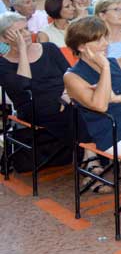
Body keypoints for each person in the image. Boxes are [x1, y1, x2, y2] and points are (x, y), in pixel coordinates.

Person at [64, 16, 121, 158]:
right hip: (115, 134)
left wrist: (118, 98)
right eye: (98, 40)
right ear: (81, 47)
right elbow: (101, 106)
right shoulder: (72, 76)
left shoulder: (115, 63)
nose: (105, 43)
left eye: (105, 38)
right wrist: (105, 68)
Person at [0, 12, 74, 154]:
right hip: (33, 107)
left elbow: (71, 75)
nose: (26, 34)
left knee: (87, 107)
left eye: (26, 29)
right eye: (19, 32)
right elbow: (23, 87)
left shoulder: (49, 48)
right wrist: (22, 50)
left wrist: (66, 95)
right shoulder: (3, 64)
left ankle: (89, 154)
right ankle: (90, 155)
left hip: (64, 98)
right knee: (73, 113)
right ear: (4, 38)